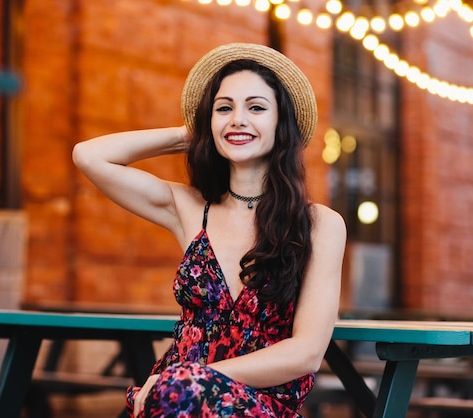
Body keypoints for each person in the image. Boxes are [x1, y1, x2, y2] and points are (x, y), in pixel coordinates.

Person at [72, 43, 346, 418]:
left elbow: (307, 352)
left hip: (256, 403)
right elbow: (88, 156)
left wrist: (194, 376)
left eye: (256, 107)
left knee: (173, 396)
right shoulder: (189, 208)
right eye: (224, 108)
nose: (237, 119)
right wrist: (193, 133)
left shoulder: (320, 225)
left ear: (281, 124)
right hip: (176, 398)